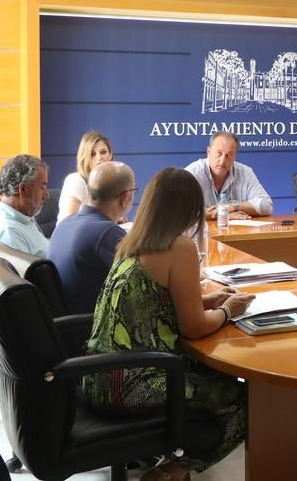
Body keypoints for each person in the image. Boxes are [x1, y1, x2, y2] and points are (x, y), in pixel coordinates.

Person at [82, 167, 254, 481]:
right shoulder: (180, 247)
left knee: (212, 373)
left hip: (96, 376)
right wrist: (229, 310)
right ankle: (169, 472)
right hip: (132, 385)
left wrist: (205, 301)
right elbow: (194, 328)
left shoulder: (131, 243)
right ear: (189, 209)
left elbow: (151, 302)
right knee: (248, 402)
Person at [48, 161, 135, 313]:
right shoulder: (107, 233)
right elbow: (141, 287)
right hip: (94, 329)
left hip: (69, 324)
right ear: (125, 198)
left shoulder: (64, 224)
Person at [185, 131, 273, 219]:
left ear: (235, 156)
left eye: (229, 155)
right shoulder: (193, 173)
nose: (222, 160)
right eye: (219, 154)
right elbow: (179, 209)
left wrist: (233, 207)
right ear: (209, 152)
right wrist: (217, 214)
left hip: (236, 232)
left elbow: (267, 205)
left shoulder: (245, 172)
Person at [0, 154, 50, 258]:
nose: (47, 195)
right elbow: (25, 274)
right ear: (23, 189)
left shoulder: (20, 216)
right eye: (43, 186)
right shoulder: (9, 232)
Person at [58, 130, 113, 222]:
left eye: (103, 152)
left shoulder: (110, 183)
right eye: (92, 154)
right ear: (84, 157)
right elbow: (68, 223)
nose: (99, 157)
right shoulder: (75, 180)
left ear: (110, 155)